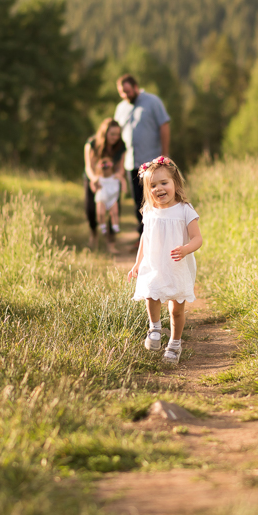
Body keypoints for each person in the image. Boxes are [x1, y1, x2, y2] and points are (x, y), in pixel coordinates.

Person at [127, 156, 202, 364]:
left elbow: (198, 238)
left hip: (177, 265)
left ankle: (175, 344)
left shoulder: (185, 210)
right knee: (151, 292)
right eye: (153, 185)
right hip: (154, 263)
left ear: (175, 184)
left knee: (176, 309)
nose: (158, 188)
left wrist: (186, 249)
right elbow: (145, 237)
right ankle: (155, 327)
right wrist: (137, 263)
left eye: (164, 183)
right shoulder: (149, 211)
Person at [113, 74, 170, 236]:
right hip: (131, 163)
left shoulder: (153, 102)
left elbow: (164, 126)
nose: (125, 95)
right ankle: (142, 239)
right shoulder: (120, 108)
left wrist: (165, 155)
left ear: (136, 87)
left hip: (152, 163)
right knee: (138, 203)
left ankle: (158, 237)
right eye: (122, 93)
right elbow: (116, 135)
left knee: (155, 201)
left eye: (128, 91)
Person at [84, 118, 127, 250]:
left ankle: (111, 242)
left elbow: (121, 166)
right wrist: (94, 179)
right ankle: (93, 235)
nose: (115, 137)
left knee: (114, 210)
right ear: (105, 133)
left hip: (112, 182)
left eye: (117, 134)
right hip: (95, 179)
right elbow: (88, 166)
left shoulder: (121, 146)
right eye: (112, 134)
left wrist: (119, 176)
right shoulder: (92, 143)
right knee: (91, 209)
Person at [94, 158, 128, 254]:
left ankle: (115, 226)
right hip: (102, 197)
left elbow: (122, 180)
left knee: (115, 213)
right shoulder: (98, 178)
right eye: (104, 168)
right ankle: (102, 226)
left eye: (107, 167)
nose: (106, 169)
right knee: (100, 213)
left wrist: (124, 189)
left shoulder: (115, 176)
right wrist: (95, 186)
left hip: (112, 198)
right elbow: (93, 185)